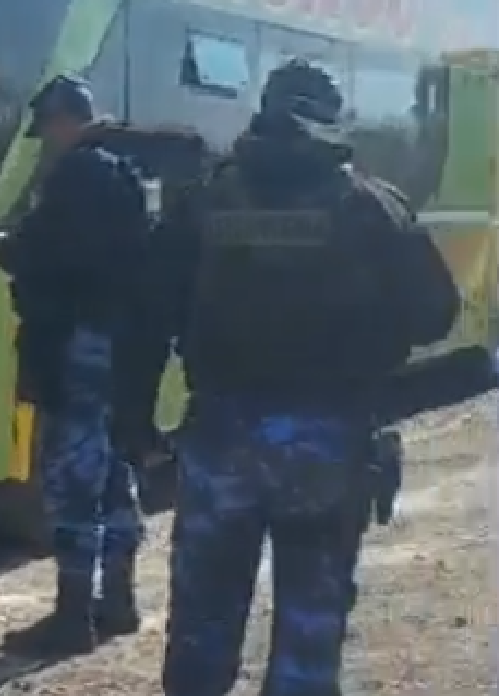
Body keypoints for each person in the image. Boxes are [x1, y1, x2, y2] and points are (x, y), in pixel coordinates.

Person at [137, 59, 460, 696]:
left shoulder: (203, 201)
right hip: (328, 440)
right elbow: (436, 314)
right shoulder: (371, 205)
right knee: (310, 626)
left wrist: (135, 421)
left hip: (221, 436)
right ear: (333, 118)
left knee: (203, 619)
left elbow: (146, 313)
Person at [0, 75, 150, 657]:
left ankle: (72, 616)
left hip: (79, 343)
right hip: (120, 344)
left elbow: (51, 255)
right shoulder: (127, 171)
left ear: (65, 120)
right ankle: (118, 599)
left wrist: (8, 250)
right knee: (114, 472)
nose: (47, 142)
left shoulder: (78, 174)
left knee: (74, 479)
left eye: (48, 130)